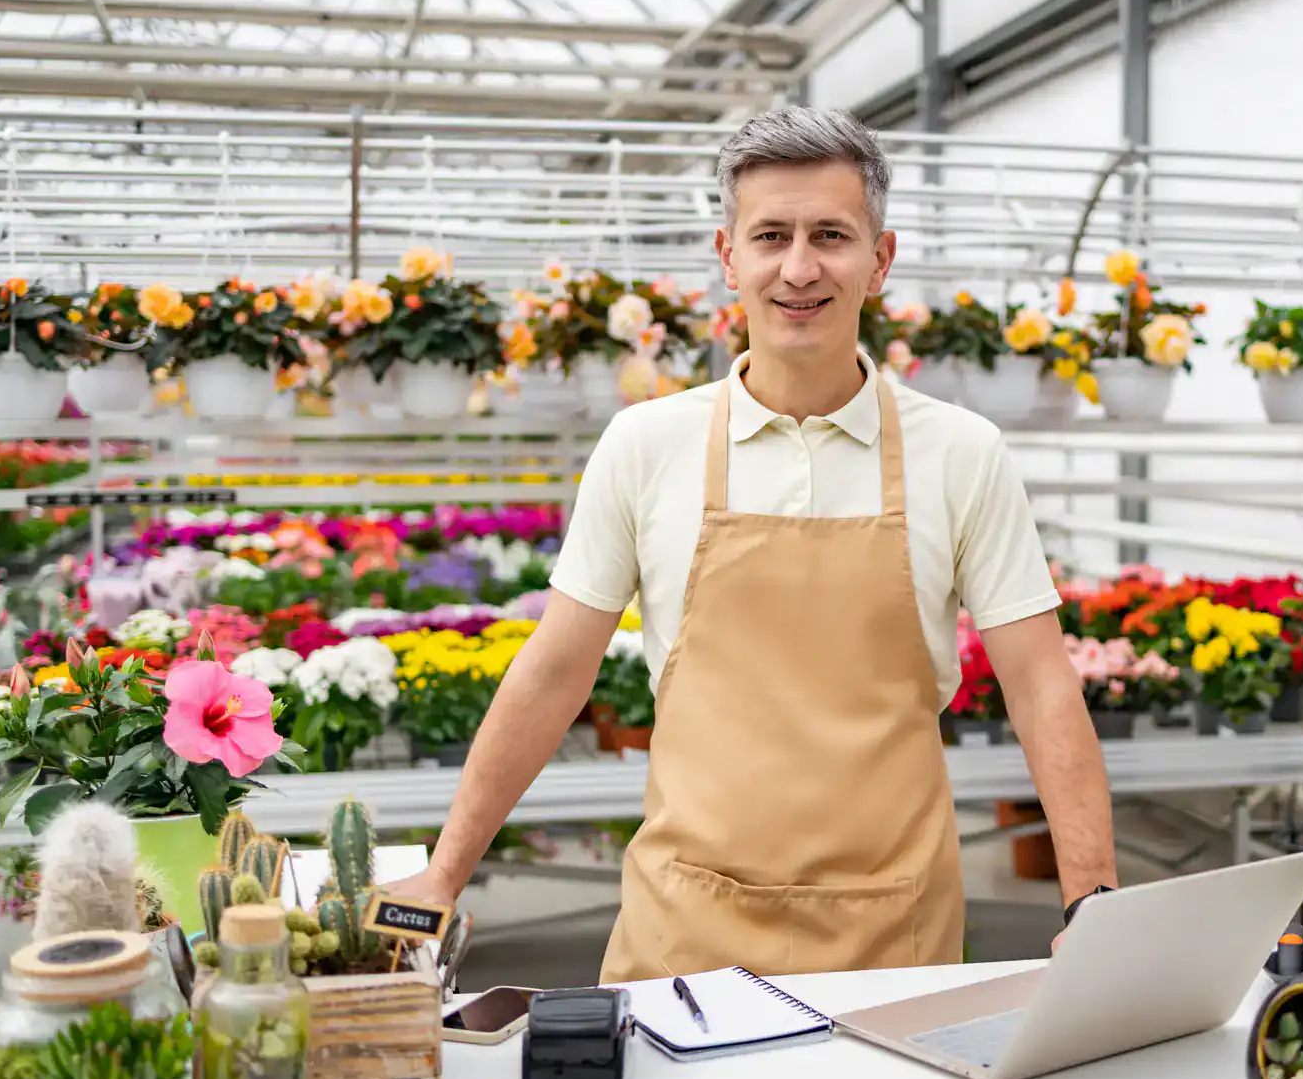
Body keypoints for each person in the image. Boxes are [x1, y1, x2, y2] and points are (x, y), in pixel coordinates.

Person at [389, 107, 1118, 983]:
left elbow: (1039, 683)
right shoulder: (645, 444)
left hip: (894, 938)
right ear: (728, 255)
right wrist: (441, 873)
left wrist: (1094, 903)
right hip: (685, 931)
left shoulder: (960, 453)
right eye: (770, 235)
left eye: (831, 235)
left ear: (879, 259)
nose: (799, 268)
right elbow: (554, 671)